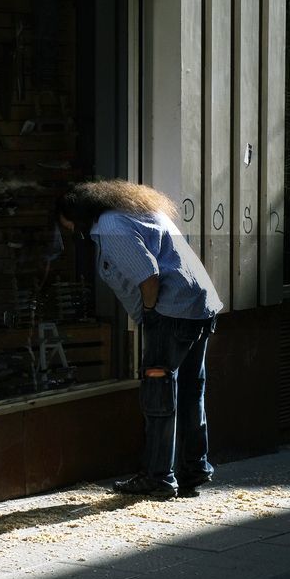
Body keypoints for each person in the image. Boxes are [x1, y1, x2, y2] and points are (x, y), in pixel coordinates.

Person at [55, 180, 223, 499]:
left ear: (77, 215)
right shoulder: (138, 210)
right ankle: (194, 468)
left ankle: (159, 477)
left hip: (170, 312)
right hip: (200, 306)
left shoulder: (110, 225)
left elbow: (148, 276)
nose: (71, 233)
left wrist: (150, 315)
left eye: (69, 226)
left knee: (159, 394)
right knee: (190, 391)